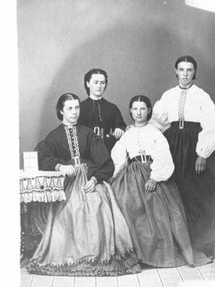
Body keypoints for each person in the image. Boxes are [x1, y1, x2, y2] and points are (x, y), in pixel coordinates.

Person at [27, 93, 141, 276]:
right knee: (69, 210)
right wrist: (59, 166)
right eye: (70, 108)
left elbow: (105, 163)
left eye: (77, 108)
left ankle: (96, 256)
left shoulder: (88, 133)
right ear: (61, 111)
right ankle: (72, 257)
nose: (74, 112)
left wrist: (95, 179)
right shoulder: (54, 135)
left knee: (98, 205)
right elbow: (41, 156)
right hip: (67, 183)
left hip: (90, 178)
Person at [110, 95, 210, 268]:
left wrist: (154, 177)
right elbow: (119, 157)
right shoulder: (127, 134)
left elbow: (163, 155)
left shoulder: (154, 132)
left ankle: (160, 254)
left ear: (148, 110)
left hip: (154, 171)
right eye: (135, 109)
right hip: (133, 174)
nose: (138, 112)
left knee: (159, 210)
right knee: (127, 203)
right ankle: (140, 255)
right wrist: (116, 177)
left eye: (142, 108)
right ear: (130, 111)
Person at [150, 55, 215, 257]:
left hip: (193, 146)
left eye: (189, 70)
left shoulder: (202, 96)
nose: (185, 74)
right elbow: (157, 124)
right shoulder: (167, 95)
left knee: (194, 194)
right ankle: (176, 244)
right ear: (175, 71)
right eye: (181, 70)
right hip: (172, 145)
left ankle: (196, 244)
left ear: (194, 73)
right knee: (173, 192)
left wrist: (203, 153)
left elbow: (213, 127)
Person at [78, 68, 126, 152]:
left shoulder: (112, 108)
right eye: (96, 82)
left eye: (102, 83)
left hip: (106, 149)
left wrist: (119, 129)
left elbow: (120, 126)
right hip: (84, 150)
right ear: (88, 83)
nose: (99, 86)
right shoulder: (79, 107)